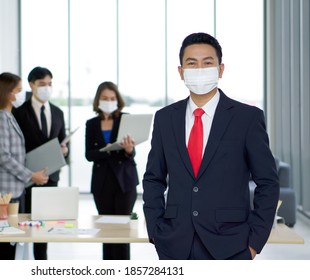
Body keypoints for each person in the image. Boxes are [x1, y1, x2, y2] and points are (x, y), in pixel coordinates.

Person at [142, 32, 280, 260]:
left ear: (221, 69)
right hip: (174, 244)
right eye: (191, 63)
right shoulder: (165, 118)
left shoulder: (247, 118)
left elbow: (267, 181)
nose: (199, 69)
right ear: (181, 71)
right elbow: (153, 178)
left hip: (231, 244)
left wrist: (254, 242)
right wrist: (156, 230)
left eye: (207, 63)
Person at [0, 72, 48, 260]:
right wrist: (31, 176)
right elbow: (3, 156)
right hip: (4, 191)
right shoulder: (0, 118)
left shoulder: (8, 116)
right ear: (7, 93)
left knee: (9, 242)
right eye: (18, 91)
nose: (21, 95)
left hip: (12, 189)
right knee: (6, 242)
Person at [13, 66, 68, 260]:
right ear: (31, 85)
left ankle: (41, 266)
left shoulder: (58, 112)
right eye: (42, 84)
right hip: (27, 179)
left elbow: (63, 144)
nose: (47, 88)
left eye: (50, 84)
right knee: (26, 228)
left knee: (44, 229)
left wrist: (64, 151)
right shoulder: (19, 113)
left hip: (51, 178)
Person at [85, 81, 139, 260]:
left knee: (123, 233)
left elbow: (130, 153)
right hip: (102, 184)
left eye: (112, 98)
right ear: (98, 100)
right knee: (106, 234)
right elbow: (89, 155)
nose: (109, 101)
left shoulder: (126, 118)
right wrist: (111, 149)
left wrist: (128, 149)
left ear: (118, 100)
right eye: (105, 98)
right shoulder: (91, 124)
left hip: (125, 182)